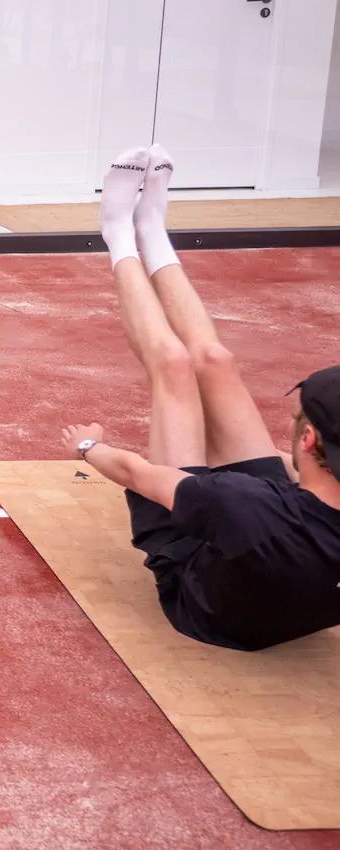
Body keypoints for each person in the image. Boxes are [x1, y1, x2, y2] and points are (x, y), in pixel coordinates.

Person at [60, 145, 340, 650]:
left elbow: (134, 474)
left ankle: (117, 232)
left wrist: (86, 447)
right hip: (273, 548)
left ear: (310, 438)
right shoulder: (264, 502)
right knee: (215, 360)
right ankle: (153, 232)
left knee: (172, 363)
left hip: (199, 595)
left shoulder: (241, 502)